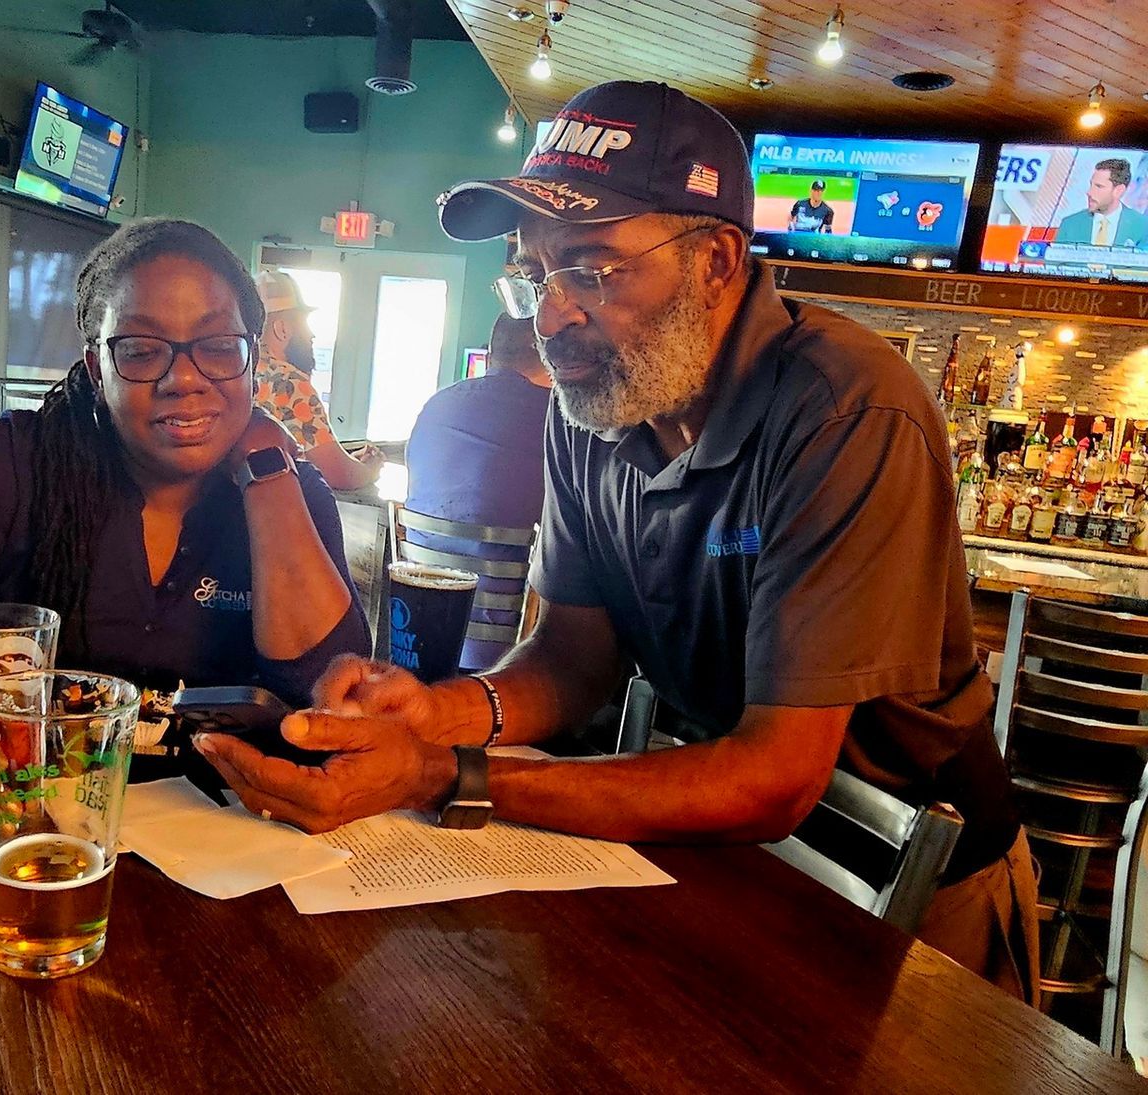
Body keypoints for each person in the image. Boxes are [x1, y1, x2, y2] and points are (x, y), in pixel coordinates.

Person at [196, 81, 1036, 1003]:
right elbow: (571, 660)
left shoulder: (846, 411)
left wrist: (447, 773)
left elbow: (775, 776)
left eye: (592, 269)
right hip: (727, 853)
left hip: (912, 889)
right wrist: (431, 712)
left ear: (718, 259)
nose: (548, 315)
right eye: (534, 273)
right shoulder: (594, 406)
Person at [0, 218, 370, 846]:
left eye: (219, 346)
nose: (185, 377)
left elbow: (329, 699)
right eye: (140, 349)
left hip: (236, 851)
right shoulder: (15, 466)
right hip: (14, 841)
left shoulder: (291, 493)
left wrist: (267, 465)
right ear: (96, 366)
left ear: (255, 359)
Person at [402, 311, 551, 671]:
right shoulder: (554, 420)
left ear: (490, 352)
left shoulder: (436, 405)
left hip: (414, 633)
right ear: (545, 351)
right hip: (510, 660)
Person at [250, 269, 383, 491]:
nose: (312, 335)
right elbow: (339, 474)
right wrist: (370, 469)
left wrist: (348, 458)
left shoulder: (244, 375)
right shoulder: (289, 384)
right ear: (281, 329)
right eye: (304, 323)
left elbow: (307, 457)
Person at [1054, 158, 1148, 248]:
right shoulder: (1070, 224)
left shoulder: (1143, 226)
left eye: (1099, 186)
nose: (1089, 192)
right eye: (1091, 185)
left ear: (1119, 190)